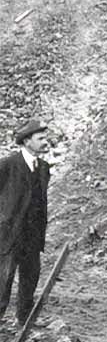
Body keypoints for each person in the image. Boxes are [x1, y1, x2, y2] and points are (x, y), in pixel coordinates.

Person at [0, 119, 52, 325]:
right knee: (3, 280)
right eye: (40, 139)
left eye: (45, 138)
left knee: (30, 278)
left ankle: (25, 320)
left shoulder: (43, 167)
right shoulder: (8, 165)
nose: (45, 142)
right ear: (27, 141)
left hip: (33, 236)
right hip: (10, 235)